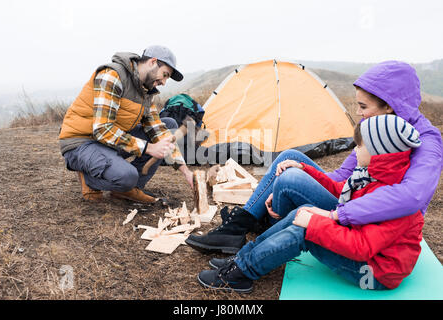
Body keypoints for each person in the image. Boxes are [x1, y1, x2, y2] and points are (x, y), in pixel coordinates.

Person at [186, 60, 443, 254]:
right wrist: (295, 182)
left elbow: (413, 197)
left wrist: (337, 215)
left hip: (372, 224)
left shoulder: (427, 140)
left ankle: (248, 231)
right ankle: (239, 226)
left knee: (291, 178)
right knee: (290, 158)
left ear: (389, 106)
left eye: (363, 107)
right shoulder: (374, 130)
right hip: (351, 199)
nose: (359, 113)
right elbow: (342, 176)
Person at [197, 114, 424, 293]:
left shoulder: (393, 199)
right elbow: (338, 189)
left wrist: (315, 225)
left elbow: (361, 247)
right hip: (366, 253)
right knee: (301, 213)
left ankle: (241, 274)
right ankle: (241, 259)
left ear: (378, 152)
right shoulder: (370, 176)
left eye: (359, 146)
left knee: (304, 231)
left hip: (375, 273)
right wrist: (305, 169)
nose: (355, 150)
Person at [59, 45, 194, 203]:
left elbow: (158, 131)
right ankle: (89, 178)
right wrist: (149, 148)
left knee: (167, 126)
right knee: (127, 176)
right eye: (164, 75)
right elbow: (102, 130)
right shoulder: (112, 76)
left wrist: (186, 172)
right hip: (81, 142)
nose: (164, 82)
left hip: (107, 142)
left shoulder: (145, 91)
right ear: (153, 62)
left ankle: (129, 189)